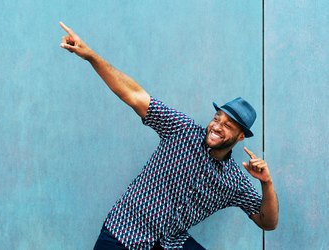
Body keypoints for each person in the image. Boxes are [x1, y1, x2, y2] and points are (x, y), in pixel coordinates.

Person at [59, 22, 278, 250]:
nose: (217, 126)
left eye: (228, 125)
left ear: (240, 136)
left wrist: (266, 183)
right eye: (217, 118)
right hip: (124, 233)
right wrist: (90, 56)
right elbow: (134, 95)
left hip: (168, 242)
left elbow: (267, 222)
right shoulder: (181, 130)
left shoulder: (234, 180)